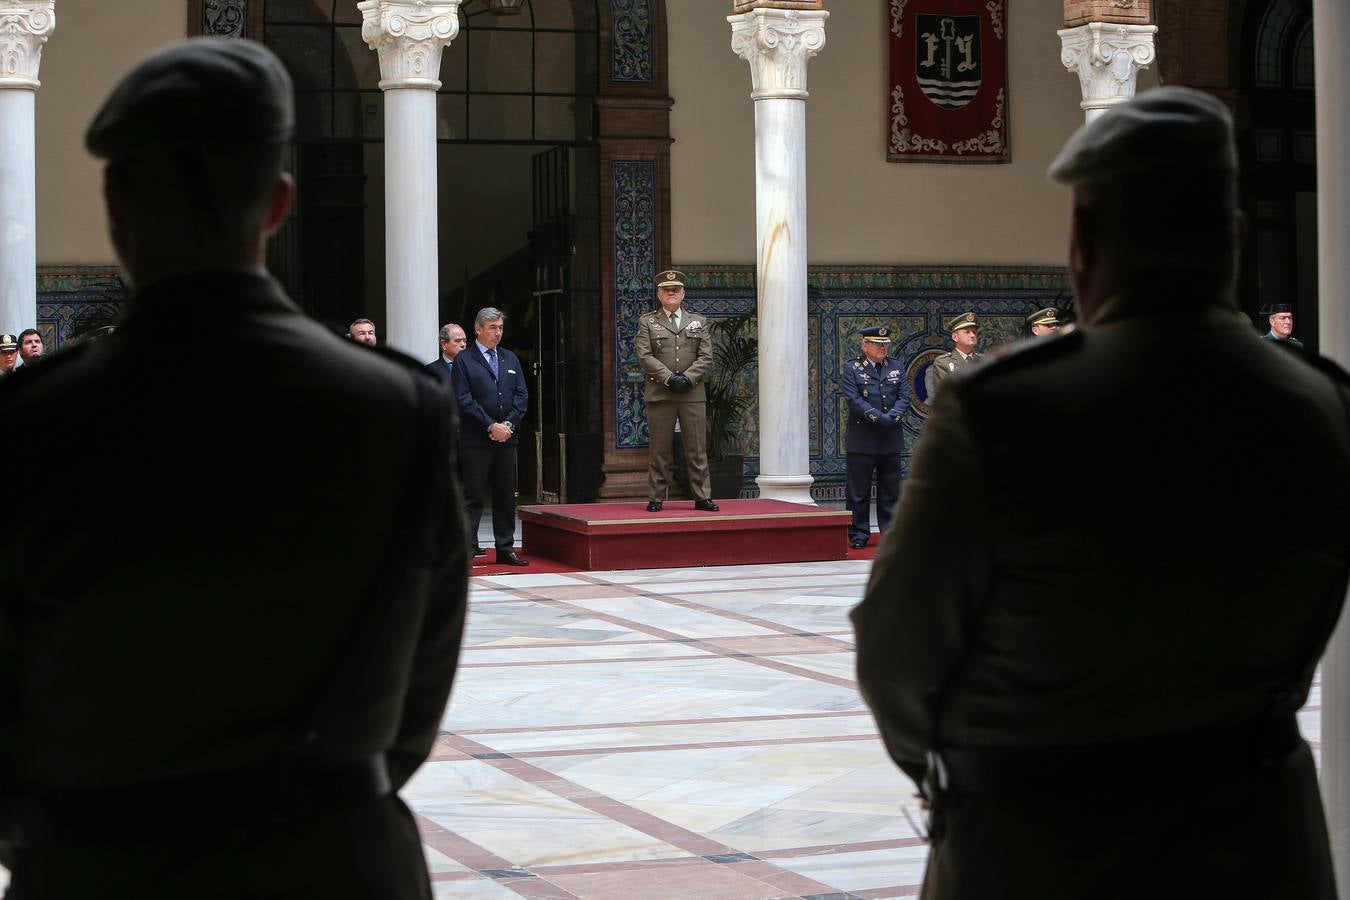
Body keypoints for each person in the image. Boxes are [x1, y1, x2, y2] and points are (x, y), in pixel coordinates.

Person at [851, 87, 1350, 900]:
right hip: (1254, 839)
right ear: (1232, 240)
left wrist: (970, 773)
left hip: (1039, 842)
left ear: (1084, 244)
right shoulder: (1322, 404)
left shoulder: (1002, 408)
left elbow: (897, 656)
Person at [0, 38, 468, 900]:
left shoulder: (33, 422)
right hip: (334, 865)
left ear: (114, 202)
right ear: (279, 204)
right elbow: (413, 704)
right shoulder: (395, 410)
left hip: (101, 868)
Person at [453, 307, 530, 567]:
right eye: (492, 328)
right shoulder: (464, 360)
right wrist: (489, 425)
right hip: (476, 439)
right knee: (473, 496)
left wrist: (507, 424)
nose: (497, 333)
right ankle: (467, 548)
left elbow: (522, 396)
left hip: (507, 439)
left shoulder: (510, 358)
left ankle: (505, 547)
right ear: (478, 329)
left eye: (500, 328)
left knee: (506, 495)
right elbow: (464, 399)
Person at [636, 269, 717, 512]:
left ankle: (702, 497)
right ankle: (656, 497)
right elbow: (644, 355)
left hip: (691, 394)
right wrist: (669, 378)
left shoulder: (698, 321)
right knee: (660, 449)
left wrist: (688, 378)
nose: (672, 293)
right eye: (666, 290)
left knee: (696, 448)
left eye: (676, 289)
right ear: (659, 294)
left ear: (683, 293)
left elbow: (706, 356)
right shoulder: (647, 321)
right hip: (661, 393)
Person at [841, 325, 908, 550]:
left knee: (890, 490)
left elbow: (904, 397)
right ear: (865, 345)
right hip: (862, 439)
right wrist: (879, 417)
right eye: (878, 344)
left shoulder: (896, 366)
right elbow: (853, 399)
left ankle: (889, 533)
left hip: (890, 438)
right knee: (858, 492)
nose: (882, 348)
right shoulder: (852, 368)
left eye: (885, 344)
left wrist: (891, 417)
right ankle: (858, 533)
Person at [923, 313, 982, 400]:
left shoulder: (984, 360)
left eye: (974, 332)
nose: (972, 335)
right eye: (967, 332)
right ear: (955, 337)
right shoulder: (943, 362)